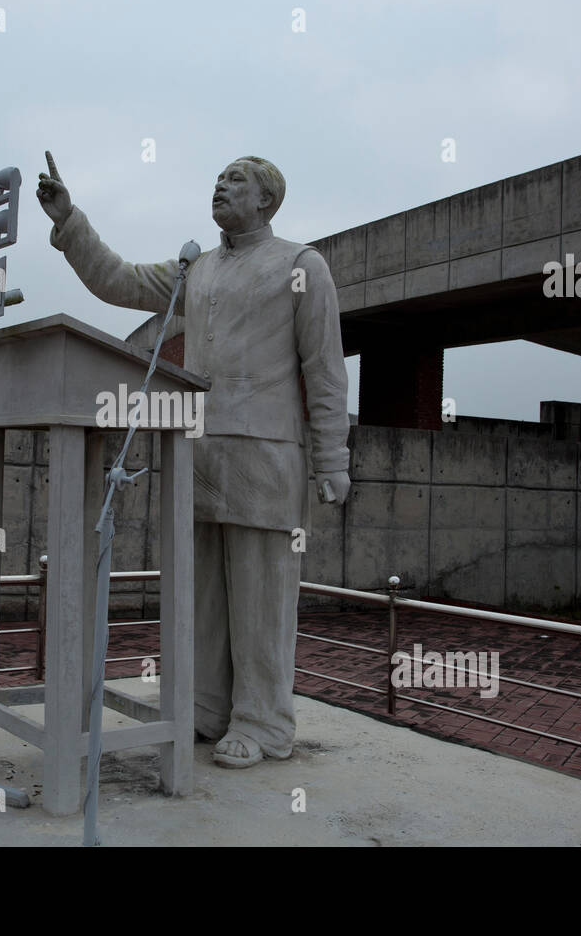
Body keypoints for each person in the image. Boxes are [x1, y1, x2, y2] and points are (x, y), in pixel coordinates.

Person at [37, 152, 350, 767]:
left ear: (267, 200)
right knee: (202, 594)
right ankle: (207, 705)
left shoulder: (300, 265)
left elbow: (325, 368)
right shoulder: (196, 270)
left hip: (267, 455)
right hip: (198, 453)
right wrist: (69, 220)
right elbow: (119, 280)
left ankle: (263, 723)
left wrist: (331, 460)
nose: (220, 185)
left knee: (261, 597)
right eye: (218, 178)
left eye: (236, 180)